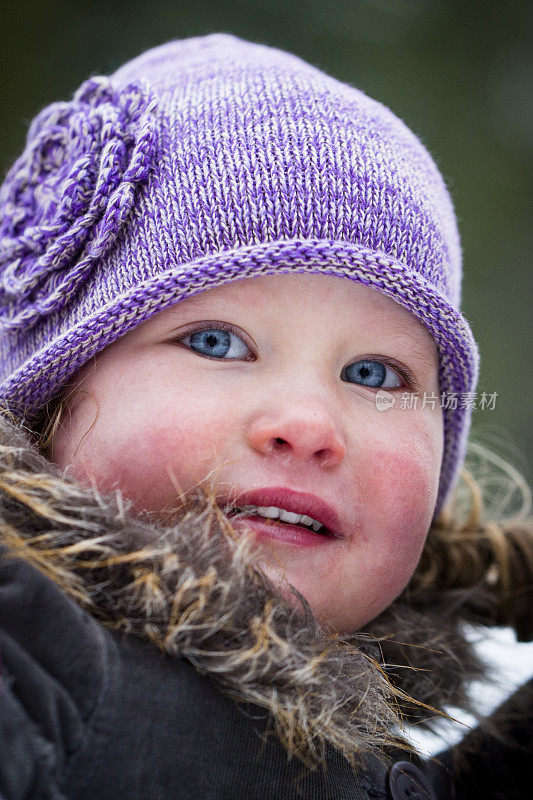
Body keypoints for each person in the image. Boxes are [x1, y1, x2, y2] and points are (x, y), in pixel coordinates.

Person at [0, 33, 531, 800]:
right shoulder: (34, 662)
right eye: (218, 344)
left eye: (373, 373)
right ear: (48, 402)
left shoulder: (389, 741)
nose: (309, 423)